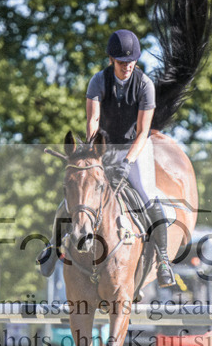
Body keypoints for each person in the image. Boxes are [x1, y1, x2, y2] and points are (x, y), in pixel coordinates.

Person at [38, 29, 176, 287]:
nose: (127, 66)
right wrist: (93, 152)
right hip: (103, 147)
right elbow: (93, 120)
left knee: (147, 194)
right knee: (78, 195)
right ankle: (53, 248)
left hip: (136, 147)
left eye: (131, 61)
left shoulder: (145, 85)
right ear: (112, 60)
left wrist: (128, 163)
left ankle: (164, 259)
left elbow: (144, 130)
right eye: (122, 62)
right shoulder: (98, 81)